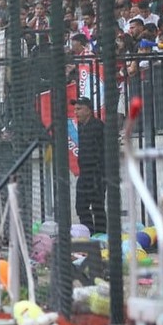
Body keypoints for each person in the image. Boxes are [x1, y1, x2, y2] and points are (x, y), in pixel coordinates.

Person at [73, 99, 107, 234]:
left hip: (96, 173)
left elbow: (104, 151)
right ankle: (89, 233)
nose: (76, 112)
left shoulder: (98, 126)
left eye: (79, 109)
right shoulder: (81, 127)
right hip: (84, 174)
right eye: (75, 109)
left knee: (97, 206)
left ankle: (100, 235)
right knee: (81, 206)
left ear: (88, 110)